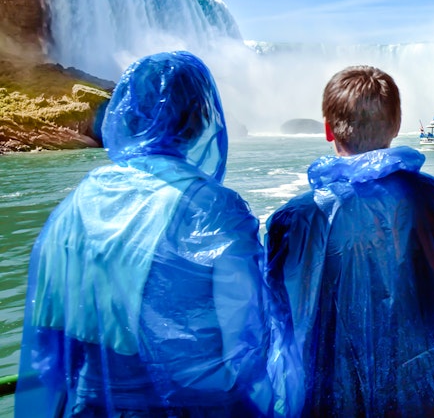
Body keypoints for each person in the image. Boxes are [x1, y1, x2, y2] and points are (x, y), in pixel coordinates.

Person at [16, 51, 301, 417]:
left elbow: (49, 337)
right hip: (192, 405)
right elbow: (244, 338)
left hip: (89, 403)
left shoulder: (77, 205)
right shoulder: (216, 211)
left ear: (127, 117)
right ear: (202, 120)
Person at [265, 65, 434, 416]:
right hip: (417, 396)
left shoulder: (292, 219)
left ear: (327, 130)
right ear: (397, 126)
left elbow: (272, 319)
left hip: (326, 403)